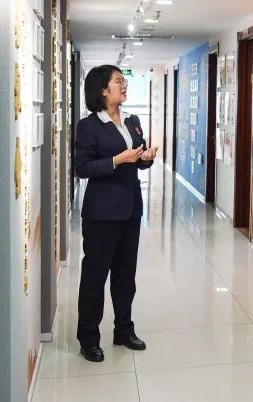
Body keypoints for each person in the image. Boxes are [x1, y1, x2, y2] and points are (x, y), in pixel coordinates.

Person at [73, 65, 159, 362]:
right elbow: (82, 168)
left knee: (125, 276)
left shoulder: (132, 120)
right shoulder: (89, 126)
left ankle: (124, 330)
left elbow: (137, 160)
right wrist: (116, 160)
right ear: (102, 90)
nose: (124, 86)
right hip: (101, 214)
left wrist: (145, 158)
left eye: (124, 82)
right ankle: (88, 338)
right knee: (95, 277)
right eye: (118, 82)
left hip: (130, 209)